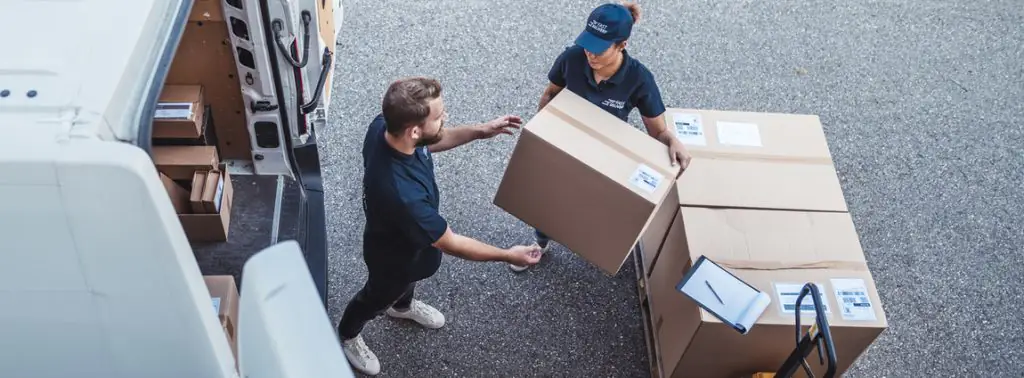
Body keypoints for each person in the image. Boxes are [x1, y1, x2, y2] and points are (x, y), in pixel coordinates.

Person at [336, 76, 542, 376]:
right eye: (439, 116)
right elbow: (451, 243)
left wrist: (480, 131)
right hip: (393, 257)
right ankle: (347, 334)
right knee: (376, 296)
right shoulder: (404, 197)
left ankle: (402, 308)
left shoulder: (385, 127)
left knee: (411, 279)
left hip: (414, 242)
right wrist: (509, 255)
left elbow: (431, 142)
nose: (445, 118)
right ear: (415, 130)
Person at [509, 1, 693, 272]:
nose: (590, 54)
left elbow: (658, 131)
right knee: (549, 199)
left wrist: (673, 142)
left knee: (592, 204)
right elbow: (551, 93)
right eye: (588, 43)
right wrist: (541, 132)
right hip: (565, 143)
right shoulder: (572, 58)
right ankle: (540, 241)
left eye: (600, 48)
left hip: (605, 153)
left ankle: (594, 244)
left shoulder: (640, 80)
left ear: (622, 45)